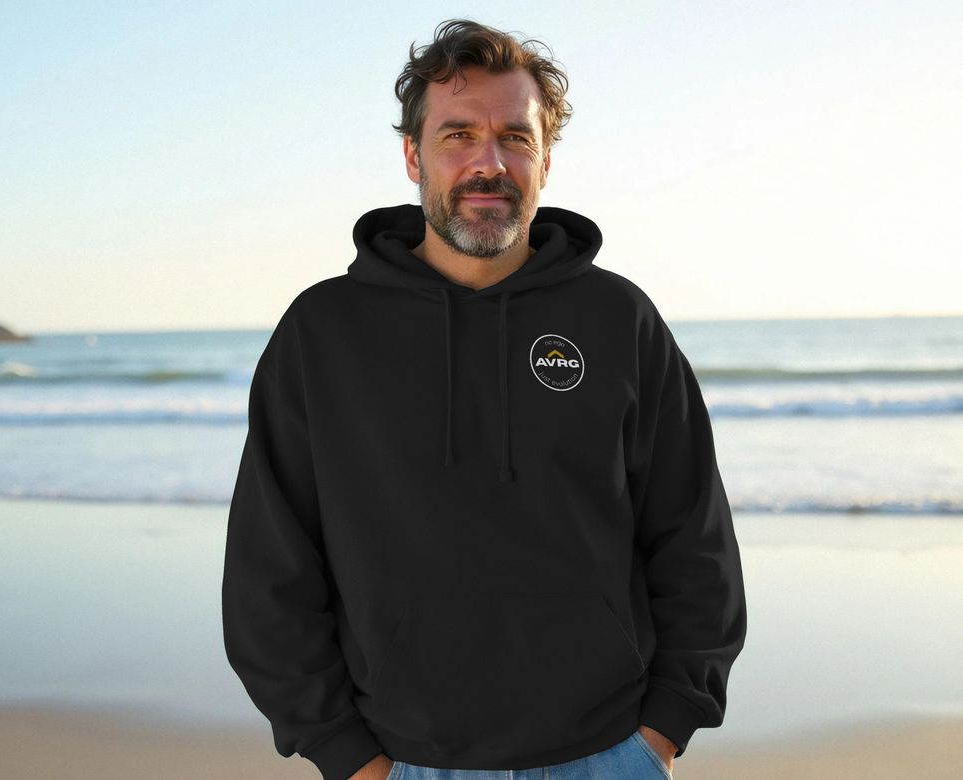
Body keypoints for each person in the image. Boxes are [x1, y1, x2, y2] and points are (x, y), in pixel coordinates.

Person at [221, 18, 746, 780]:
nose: (488, 163)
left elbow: (694, 538)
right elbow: (270, 571)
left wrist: (664, 726)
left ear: (546, 159)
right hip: (403, 764)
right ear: (413, 156)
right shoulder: (322, 332)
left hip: (608, 756)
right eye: (458, 136)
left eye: (515, 137)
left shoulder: (618, 319)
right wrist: (347, 755)